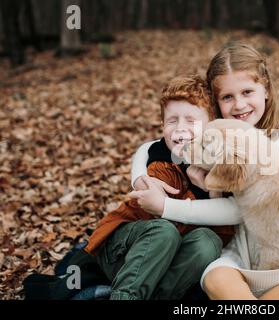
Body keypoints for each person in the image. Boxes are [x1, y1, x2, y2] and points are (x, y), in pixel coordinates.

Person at [130, 43, 279, 300]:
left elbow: (241, 210)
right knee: (216, 279)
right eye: (227, 97)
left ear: (266, 90)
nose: (239, 105)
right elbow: (149, 147)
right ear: (215, 102)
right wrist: (140, 177)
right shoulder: (213, 136)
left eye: (247, 92)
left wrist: (165, 207)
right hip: (238, 248)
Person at [84, 75, 235, 300]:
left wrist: (212, 191)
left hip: (162, 269)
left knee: (208, 241)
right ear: (162, 125)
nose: (179, 129)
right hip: (125, 251)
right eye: (172, 121)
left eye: (191, 121)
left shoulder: (222, 167)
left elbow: (223, 231)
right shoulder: (161, 158)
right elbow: (162, 219)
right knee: (164, 232)